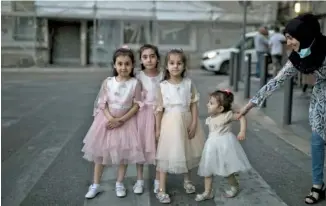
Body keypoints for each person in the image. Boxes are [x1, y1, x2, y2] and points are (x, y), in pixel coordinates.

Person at [238, 13, 326, 205]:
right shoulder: (297, 57)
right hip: (322, 97)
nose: (288, 43)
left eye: (291, 38)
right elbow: (276, 81)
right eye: (287, 39)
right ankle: (318, 185)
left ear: (303, 35)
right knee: (317, 141)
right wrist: (250, 104)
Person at [83, 47, 145, 198]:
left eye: (127, 64)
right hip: (107, 122)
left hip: (126, 123)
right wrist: (110, 118)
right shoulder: (108, 82)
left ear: (132, 65)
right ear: (114, 65)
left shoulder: (135, 83)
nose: (124, 67)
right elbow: (102, 103)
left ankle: (119, 183)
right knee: (100, 155)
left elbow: (137, 104)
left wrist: (122, 119)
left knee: (122, 156)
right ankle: (96, 184)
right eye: (120, 64)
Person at [154, 49, 205, 203]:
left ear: (184, 66)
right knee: (165, 155)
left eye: (179, 63)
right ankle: (161, 188)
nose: (175, 66)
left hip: (187, 120)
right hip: (169, 123)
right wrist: (157, 129)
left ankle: (187, 180)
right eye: (172, 63)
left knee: (187, 150)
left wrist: (195, 122)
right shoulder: (162, 86)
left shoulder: (188, 84)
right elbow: (158, 109)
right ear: (166, 66)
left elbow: (194, 104)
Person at [195, 90, 251, 202]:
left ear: (220, 108)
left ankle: (234, 186)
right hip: (211, 145)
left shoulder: (227, 115)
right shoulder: (210, 118)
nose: (207, 104)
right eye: (209, 102)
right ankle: (207, 192)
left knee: (227, 169)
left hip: (225, 145)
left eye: (211, 103)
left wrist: (242, 131)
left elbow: (241, 117)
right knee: (208, 169)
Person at [134, 44, 163, 194]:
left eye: (152, 56)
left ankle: (158, 179)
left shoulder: (163, 75)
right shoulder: (138, 76)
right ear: (140, 60)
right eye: (145, 57)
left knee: (159, 148)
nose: (149, 60)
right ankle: (139, 180)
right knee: (141, 147)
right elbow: (135, 98)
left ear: (157, 58)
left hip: (160, 115)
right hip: (143, 115)